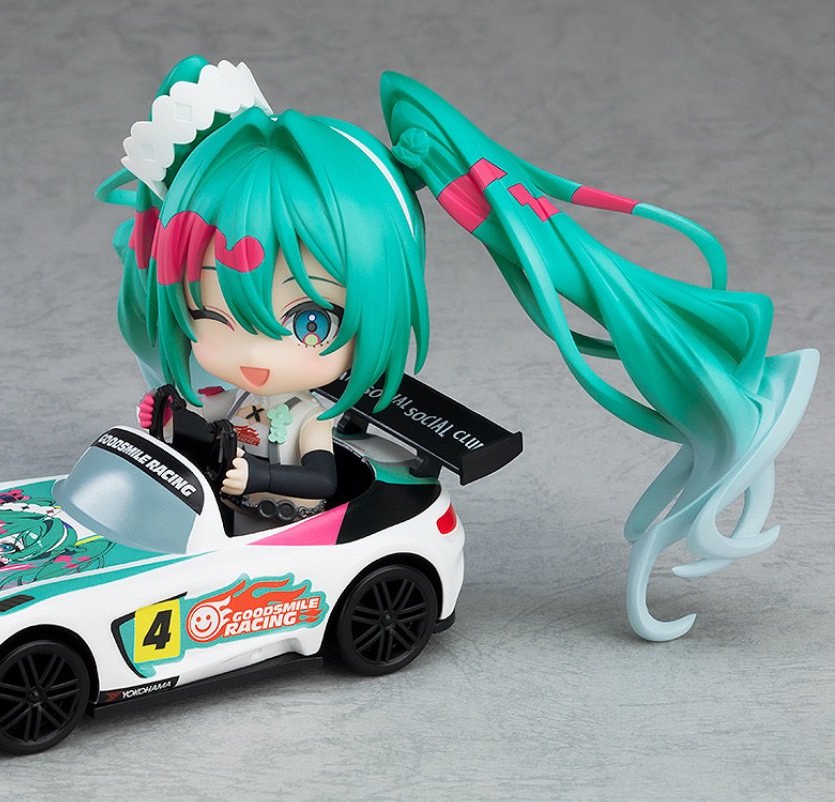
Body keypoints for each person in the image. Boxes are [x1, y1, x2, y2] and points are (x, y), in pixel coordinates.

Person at [97, 56, 818, 641]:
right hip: (223, 527)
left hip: (282, 548)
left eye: (309, 321)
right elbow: (211, 421)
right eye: (207, 312)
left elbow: (320, 478)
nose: (252, 353)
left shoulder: (311, 419)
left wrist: (253, 476)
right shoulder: (247, 397)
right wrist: (175, 416)